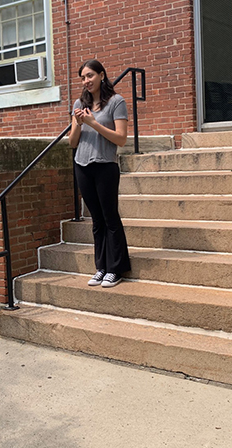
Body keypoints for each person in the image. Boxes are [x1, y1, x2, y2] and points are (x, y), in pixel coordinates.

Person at [68, 59, 131, 288]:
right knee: (96, 220)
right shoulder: (79, 103)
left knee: (110, 217)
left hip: (106, 165)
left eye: (90, 75)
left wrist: (93, 123)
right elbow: (73, 142)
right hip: (82, 165)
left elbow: (121, 139)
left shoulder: (116, 102)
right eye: (83, 77)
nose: (86, 81)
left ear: (102, 75)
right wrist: (77, 123)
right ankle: (101, 267)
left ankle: (116, 268)